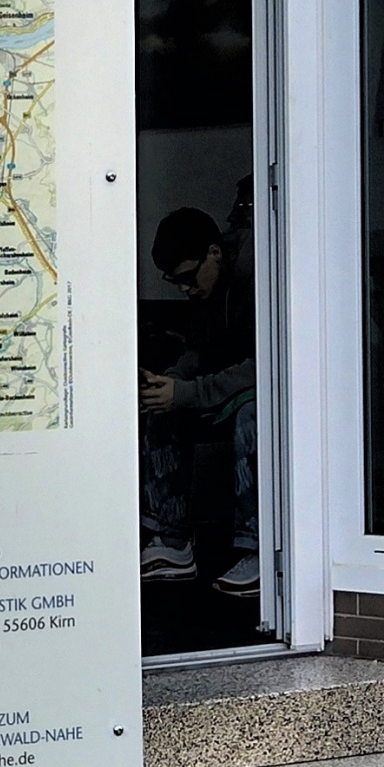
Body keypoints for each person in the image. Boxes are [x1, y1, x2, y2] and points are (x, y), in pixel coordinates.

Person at [139, 204, 260, 598]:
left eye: (189, 277)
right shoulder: (209, 290)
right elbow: (197, 351)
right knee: (160, 408)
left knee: (254, 415)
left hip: (262, 390)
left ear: (214, 253)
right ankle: (172, 541)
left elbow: (265, 365)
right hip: (223, 389)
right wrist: (171, 381)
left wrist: (188, 393)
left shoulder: (260, 277)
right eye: (176, 282)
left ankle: (261, 549)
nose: (185, 289)